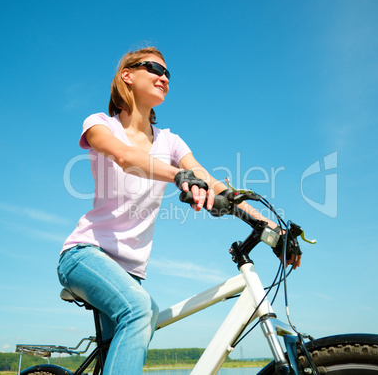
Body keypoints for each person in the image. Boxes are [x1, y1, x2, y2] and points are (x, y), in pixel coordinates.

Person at [58, 47, 301, 374]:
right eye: (154, 68)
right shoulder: (100, 124)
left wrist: (270, 227)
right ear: (127, 76)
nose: (164, 78)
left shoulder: (170, 142)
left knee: (137, 323)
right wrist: (179, 176)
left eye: (168, 74)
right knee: (140, 311)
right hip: (84, 254)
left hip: (131, 272)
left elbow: (211, 181)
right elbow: (125, 157)